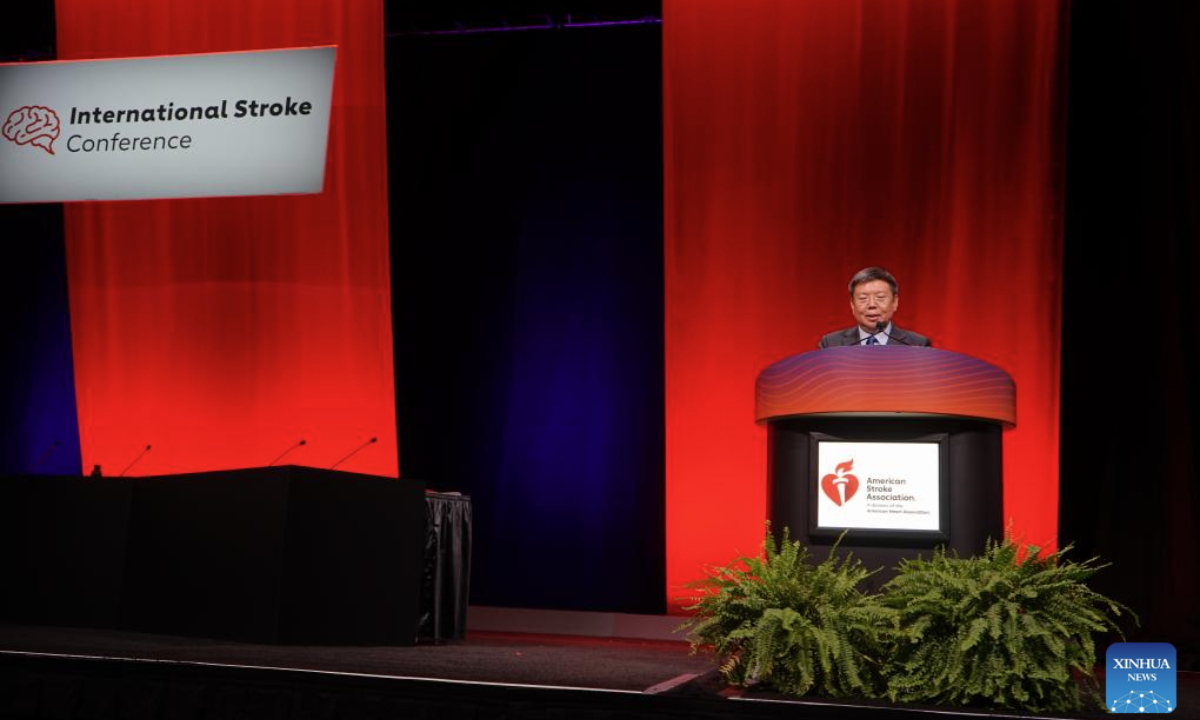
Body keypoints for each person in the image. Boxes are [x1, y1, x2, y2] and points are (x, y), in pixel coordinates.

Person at [818, 267, 932, 348]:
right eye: (863, 298)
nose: (872, 305)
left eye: (880, 297)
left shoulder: (917, 344)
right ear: (852, 304)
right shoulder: (832, 344)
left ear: (895, 302)